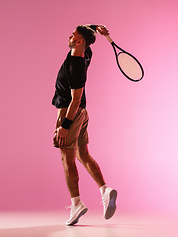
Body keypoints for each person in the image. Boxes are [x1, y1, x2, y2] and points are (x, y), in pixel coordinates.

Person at [52, 24, 117, 226]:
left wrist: (64, 125)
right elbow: (87, 35)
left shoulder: (75, 65)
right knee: (83, 154)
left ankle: (76, 203)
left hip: (70, 113)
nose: (70, 36)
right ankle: (105, 190)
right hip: (83, 114)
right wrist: (97, 30)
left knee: (67, 159)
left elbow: (76, 99)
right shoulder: (85, 51)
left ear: (79, 41)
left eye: (74, 35)